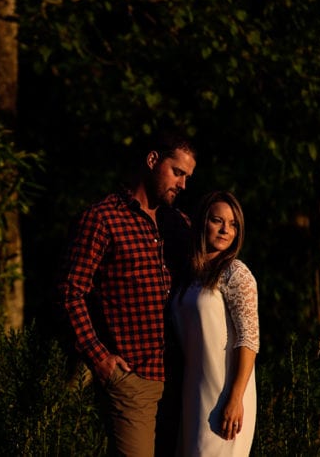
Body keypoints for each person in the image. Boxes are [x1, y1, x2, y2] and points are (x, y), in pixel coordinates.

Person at [54, 130, 197, 457]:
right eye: (177, 172)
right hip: (134, 380)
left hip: (184, 379)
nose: (183, 185)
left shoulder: (180, 225)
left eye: (187, 177)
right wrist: (99, 357)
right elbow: (69, 292)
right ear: (152, 160)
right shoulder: (103, 218)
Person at [171, 190, 259, 456]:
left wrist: (235, 399)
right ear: (202, 223)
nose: (225, 230)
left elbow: (249, 339)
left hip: (225, 396)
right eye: (217, 221)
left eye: (233, 224)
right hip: (192, 394)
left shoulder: (236, 272)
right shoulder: (188, 275)